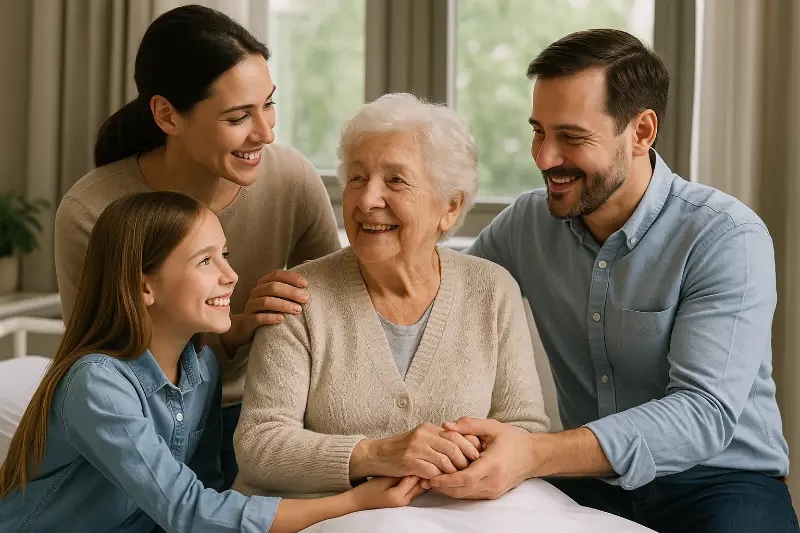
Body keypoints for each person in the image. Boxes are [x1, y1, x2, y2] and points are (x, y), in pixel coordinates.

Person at [417, 29, 798, 533]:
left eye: (571, 138)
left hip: (720, 483)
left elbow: (704, 413)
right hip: (585, 481)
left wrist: (534, 453)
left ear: (641, 132)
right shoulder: (526, 224)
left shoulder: (726, 236)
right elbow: (438, 300)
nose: (544, 158)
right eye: (539, 132)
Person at [0, 192, 423, 532]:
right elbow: (190, 512)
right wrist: (352, 502)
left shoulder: (202, 369)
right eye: (205, 260)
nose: (230, 275)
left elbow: (209, 490)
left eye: (225, 254)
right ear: (145, 287)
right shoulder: (97, 385)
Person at [53, 5, 340, 489]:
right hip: (154, 423)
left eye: (269, 104)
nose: (266, 132)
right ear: (167, 115)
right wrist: (234, 331)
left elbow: (337, 313)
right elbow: (106, 365)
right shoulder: (93, 209)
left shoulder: (291, 179)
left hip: (273, 411)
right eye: (238, 117)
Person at [232, 93, 550, 497]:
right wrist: (376, 455)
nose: (367, 200)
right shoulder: (299, 296)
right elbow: (260, 445)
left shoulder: (493, 290)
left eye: (396, 180)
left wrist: (454, 465)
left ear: (450, 207)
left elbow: (525, 430)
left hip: (461, 512)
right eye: (357, 179)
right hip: (331, 516)